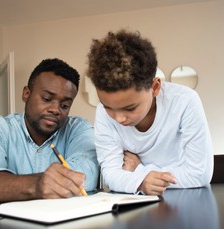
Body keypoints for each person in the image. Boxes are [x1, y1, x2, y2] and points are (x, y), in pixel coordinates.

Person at [86, 29, 213, 195]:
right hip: (138, 203)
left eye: (130, 108)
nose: (118, 118)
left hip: (186, 198)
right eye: (107, 106)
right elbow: (111, 174)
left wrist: (139, 171)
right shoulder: (103, 114)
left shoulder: (185, 101)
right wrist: (141, 182)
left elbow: (199, 174)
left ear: (155, 87)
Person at [0, 58, 99, 202]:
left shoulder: (79, 129)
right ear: (26, 94)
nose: (55, 110)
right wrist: (37, 184)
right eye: (47, 99)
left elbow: (88, 173)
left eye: (65, 105)